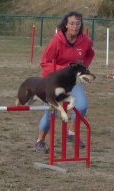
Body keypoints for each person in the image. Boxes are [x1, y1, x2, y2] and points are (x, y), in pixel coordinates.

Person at [34, 11, 95, 154]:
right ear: (66, 25)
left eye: (78, 23)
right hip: (55, 81)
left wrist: (82, 69)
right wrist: (63, 70)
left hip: (73, 82)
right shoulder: (56, 41)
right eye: (72, 23)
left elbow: (90, 54)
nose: (75, 26)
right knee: (51, 112)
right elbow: (45, 62)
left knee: (82, 106)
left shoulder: (85, 41)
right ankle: (40, 141)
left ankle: (71, 133)